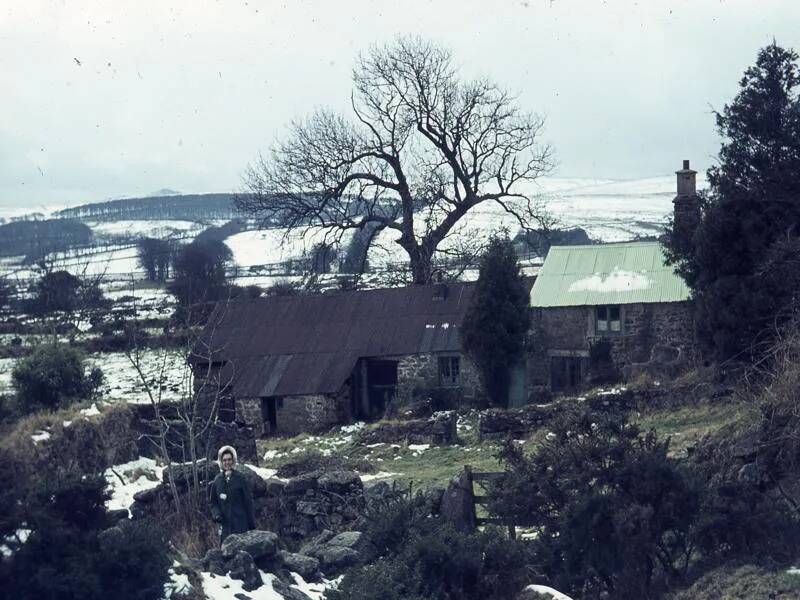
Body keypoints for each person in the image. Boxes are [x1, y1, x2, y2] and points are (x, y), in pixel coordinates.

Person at [208, 445, 256, 542]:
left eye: (229, 459)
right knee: (226, 554)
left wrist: (251, 526)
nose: (227, 462)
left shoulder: (240, 478)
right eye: (224, 460)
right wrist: (216, 514)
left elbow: (248, 503)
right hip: (225, 528)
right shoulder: (217, 480)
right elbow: (213, 502)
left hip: (241, 526)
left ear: (233, 460)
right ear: (221, 462)